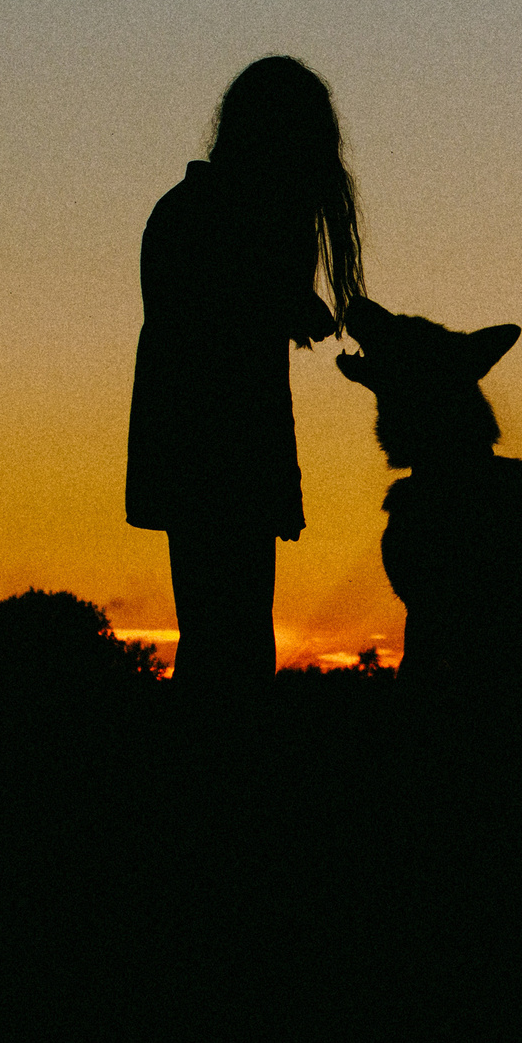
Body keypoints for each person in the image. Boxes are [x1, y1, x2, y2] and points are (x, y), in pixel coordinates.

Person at [126, 56, 363, 687]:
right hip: (221, 461)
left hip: (201, 461)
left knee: (218, 638)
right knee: (231, 644)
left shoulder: (193, 215)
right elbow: (212, 340)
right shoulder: (216, 223)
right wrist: (278, 299)